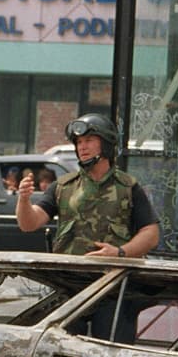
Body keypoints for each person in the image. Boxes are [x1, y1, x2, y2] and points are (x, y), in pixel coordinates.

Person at [16, 112, 160, 341]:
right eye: (79, 143)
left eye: (89, 141)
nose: (82, 147)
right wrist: (24, 200)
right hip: (68, 288)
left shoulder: (128, 187)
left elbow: (151, 234)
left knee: (111, 356)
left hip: (112, 288)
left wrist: (120, 252)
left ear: (106, 144)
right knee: (60, 354)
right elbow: (29, 223)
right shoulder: (63, 187)